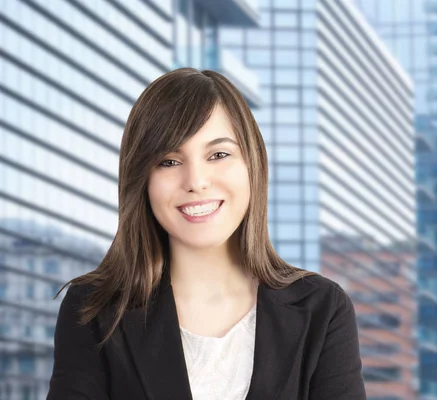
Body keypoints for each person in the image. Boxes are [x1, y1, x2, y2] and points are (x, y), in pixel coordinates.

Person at [46, 68, 366, 400]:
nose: (196, 181)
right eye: (168, 161)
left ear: (252, 165)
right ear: (142, 179)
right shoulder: (96, 309)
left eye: (218, 155)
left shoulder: (322, 309)